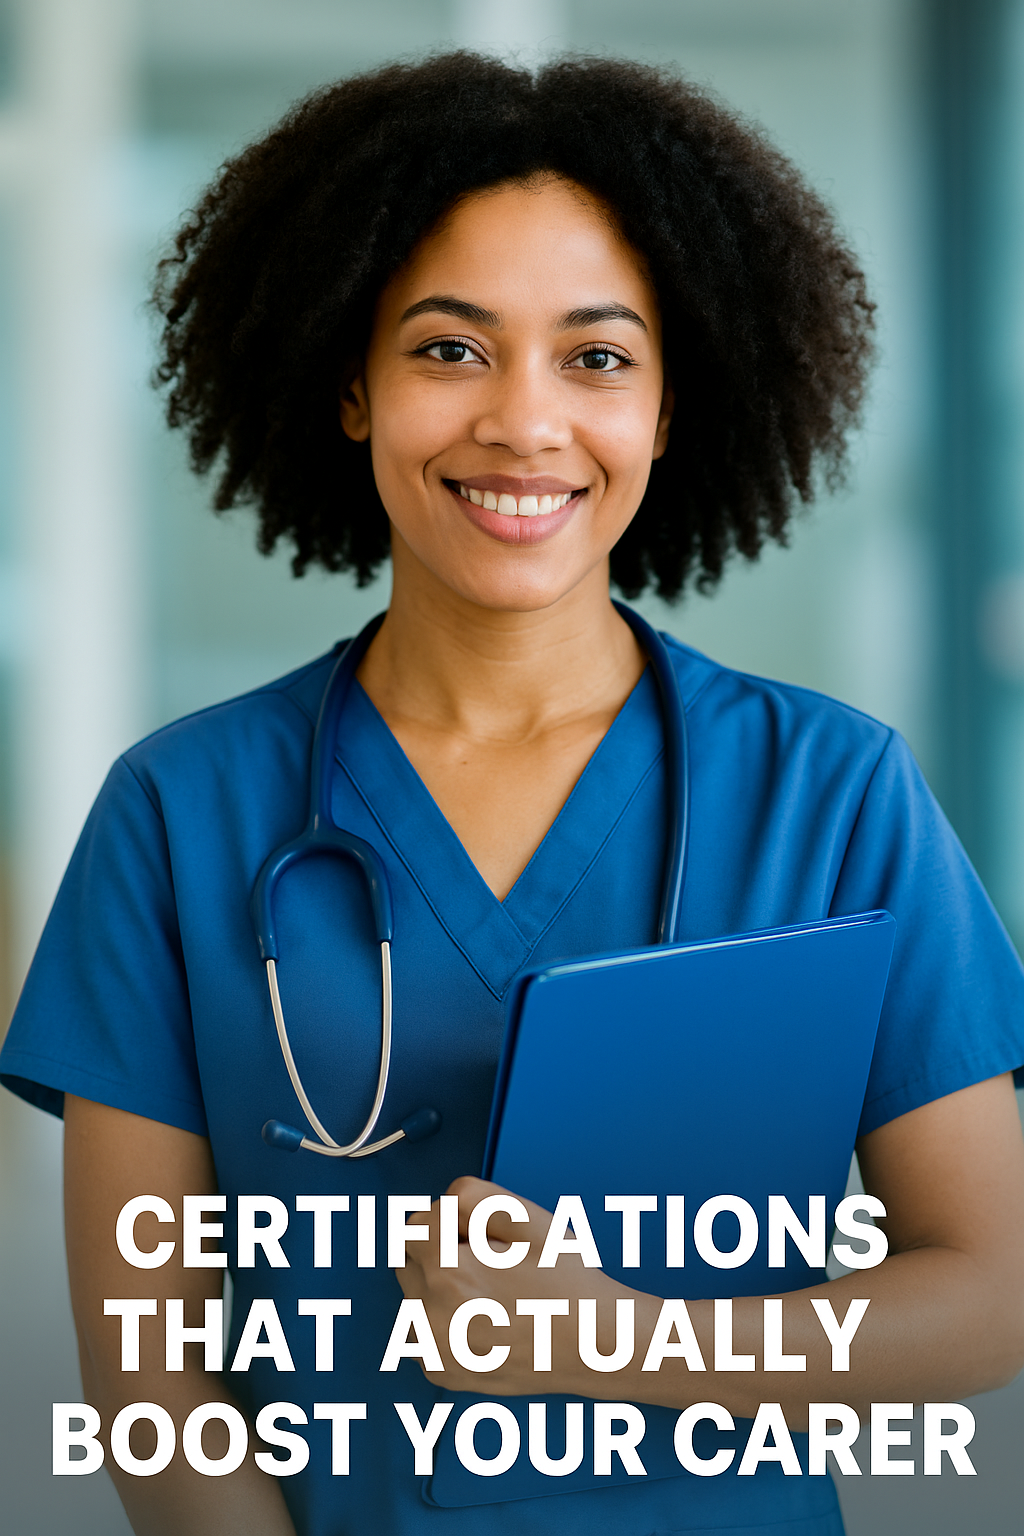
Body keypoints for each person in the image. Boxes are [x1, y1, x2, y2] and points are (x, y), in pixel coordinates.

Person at [3, 51, 1024, 1536]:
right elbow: (151, 1375)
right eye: (449, 350)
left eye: (598, 358)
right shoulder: (179, 812)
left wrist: (616, 1342)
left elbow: (987, 1291)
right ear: (349, 385)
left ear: (674, 407)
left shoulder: (834, 791)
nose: (524, 424)